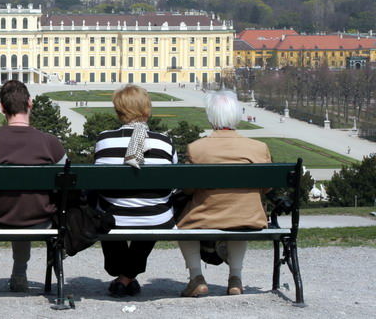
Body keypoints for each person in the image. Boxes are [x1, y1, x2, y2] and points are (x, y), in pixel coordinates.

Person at [0, 80, 66, 292]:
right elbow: (67, 184)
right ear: (30, 103)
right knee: (28, 203)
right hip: (41, 219)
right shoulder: (50, 142)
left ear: (2, 107)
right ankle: (21, 272)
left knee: (15, 203)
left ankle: (19, 272)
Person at [176, 91, 272, 297]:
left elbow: (188, 189)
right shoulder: (258, 148)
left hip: (206, 216)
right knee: (240, 215)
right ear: (237, 115)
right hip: (249, 217)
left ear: (211, 117)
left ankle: (196, 278)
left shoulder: (196, 149)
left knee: (182, 223)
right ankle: (235, 279)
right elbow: (266, 188)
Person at [93, 85, 177, 298]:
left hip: (113, 217)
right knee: (151, 208)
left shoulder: (105, 140)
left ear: (118, 111)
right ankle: (127, 277)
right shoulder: (164, 142)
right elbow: (174, 185)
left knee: (110, 206)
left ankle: (122, 276)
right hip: (155, 217)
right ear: (147, 110)